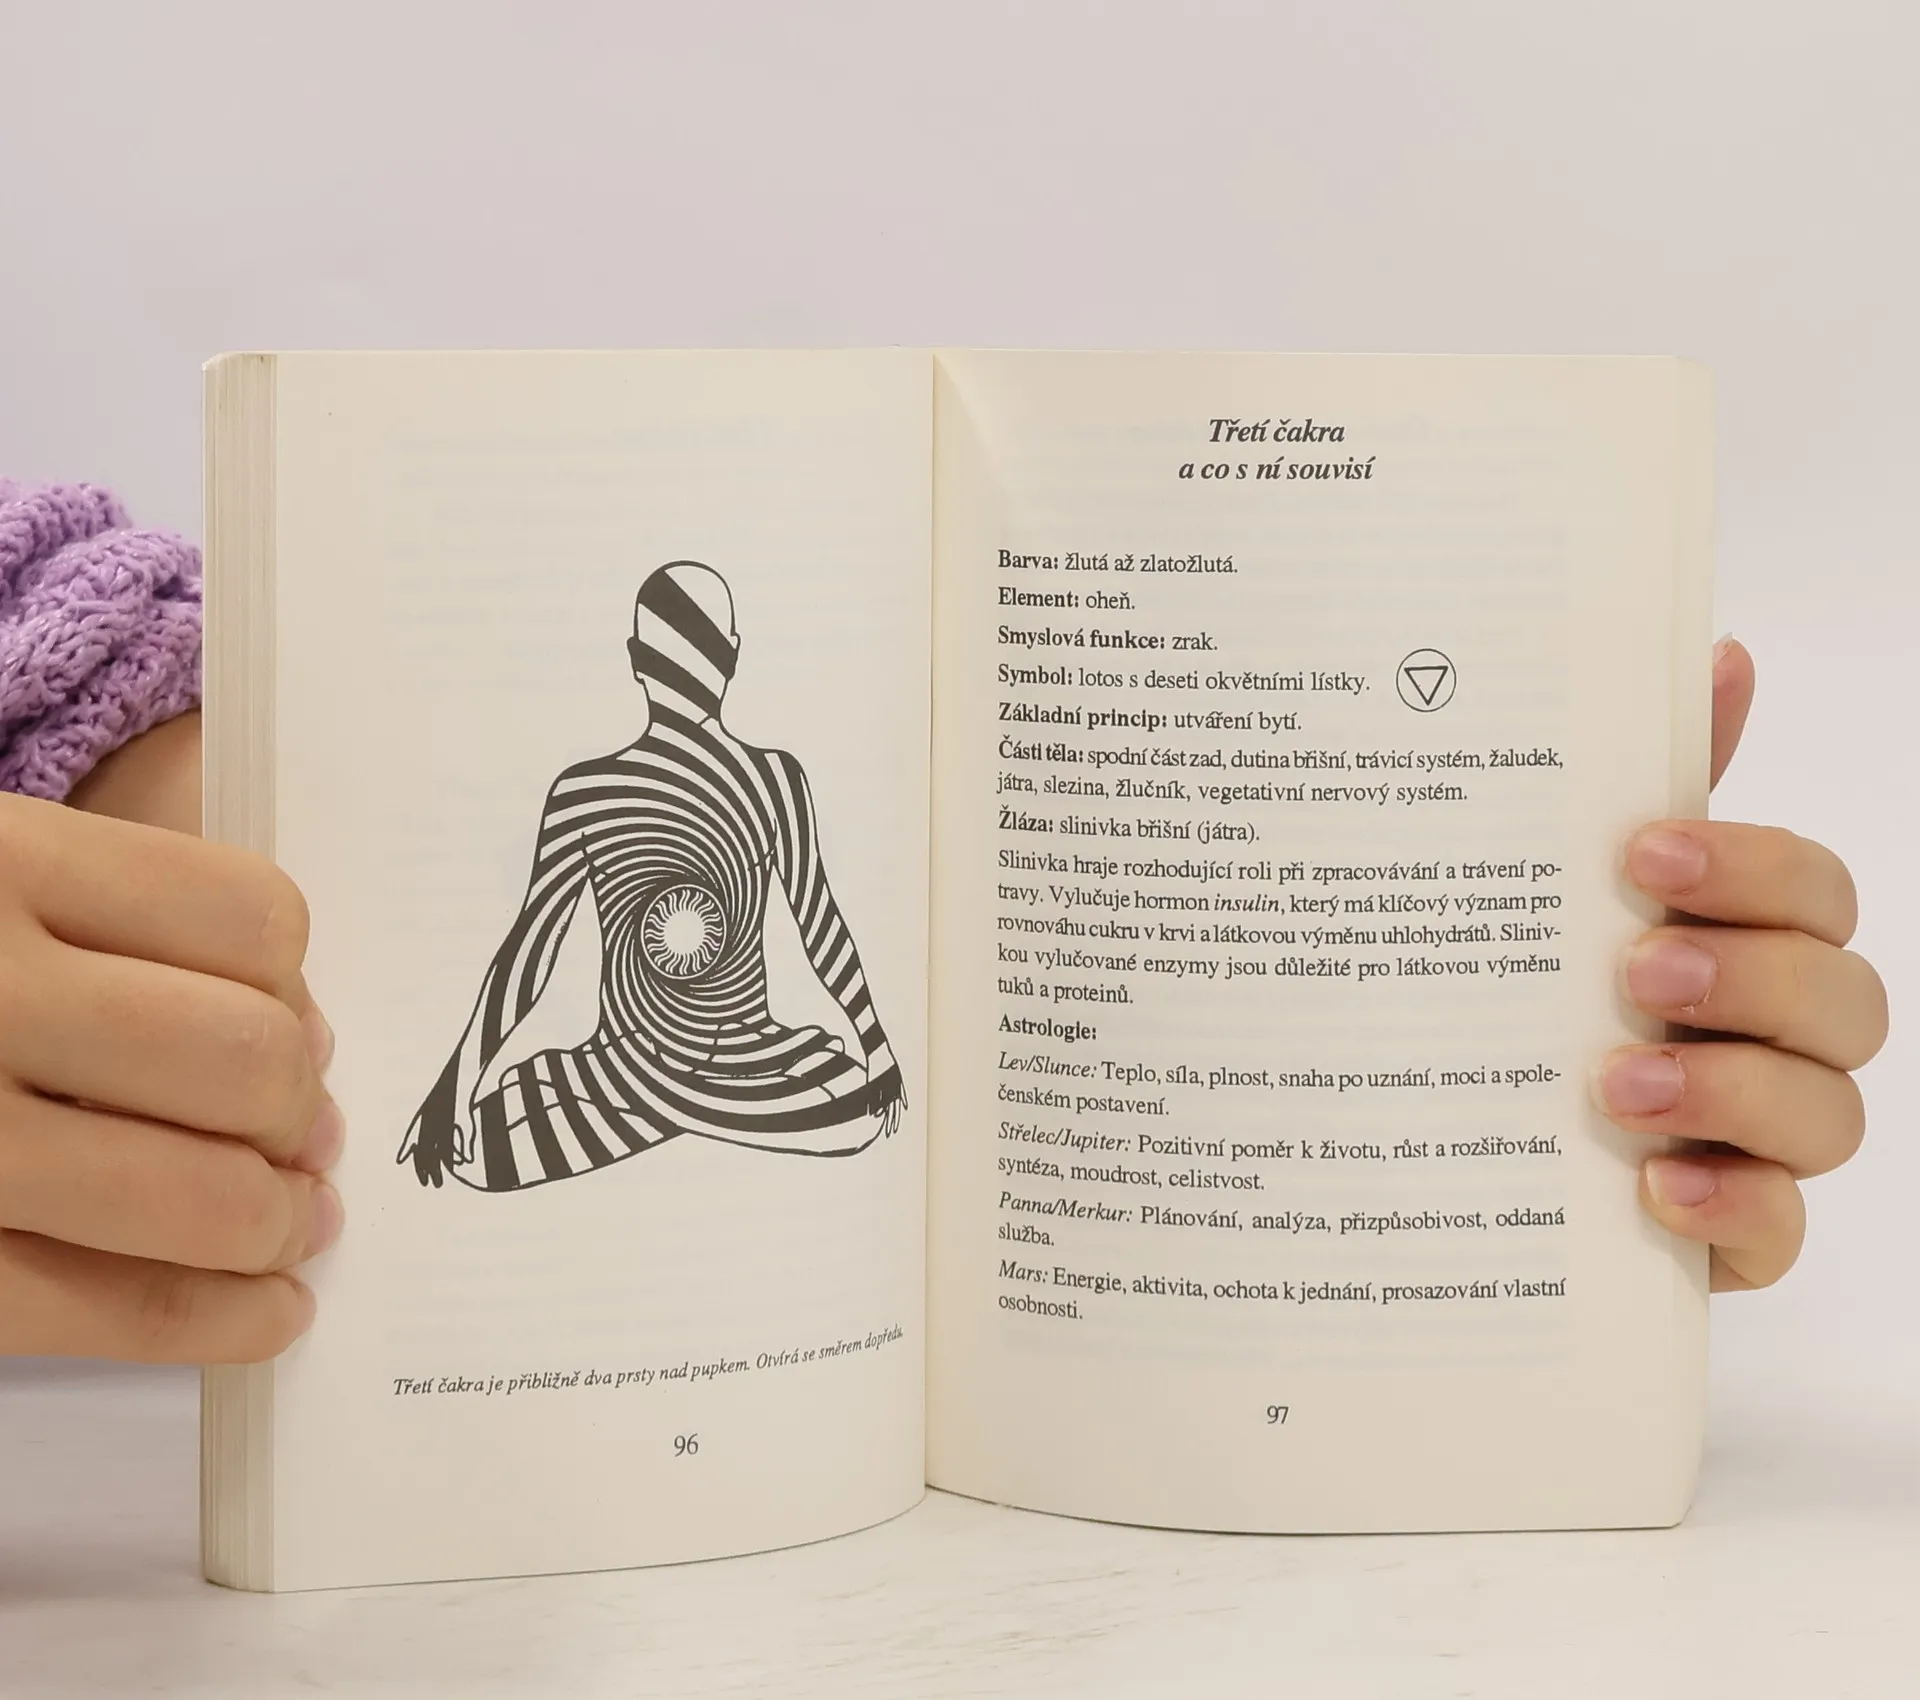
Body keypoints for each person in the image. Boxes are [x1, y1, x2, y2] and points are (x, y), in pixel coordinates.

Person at [0, 479, 1889, 1362]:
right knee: (568, 1145)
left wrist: (1409, 988)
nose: (679, 679)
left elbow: (816, 938)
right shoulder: (597, 792)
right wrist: (449, 1085)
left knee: (860, 1150)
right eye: (670, 654)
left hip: (739, 1060)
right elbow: (529, 960)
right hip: (637, 1069)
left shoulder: (759, 778)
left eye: (692, 654)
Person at [396, 560, 905, 1192]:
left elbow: (529, 952)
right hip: (649, 1064)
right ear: (733, 656)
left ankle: (668, 1108)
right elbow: (820, 924)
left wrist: (458, 1083)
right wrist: (876, 1048)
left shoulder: (592, 791)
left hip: (673, 1067)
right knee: (857, 1106)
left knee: (476, 1150)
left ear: (636, 660)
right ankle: (700, 1110)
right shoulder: (763, 780)